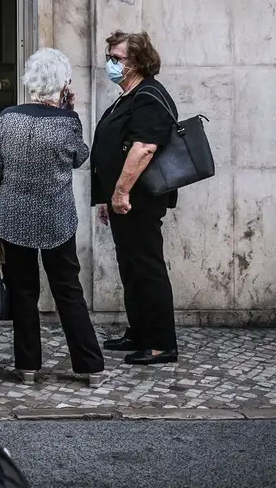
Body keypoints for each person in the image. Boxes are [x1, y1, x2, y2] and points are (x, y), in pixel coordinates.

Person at [0, 48, 105, 386]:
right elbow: (80, 157)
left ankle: (27, 366)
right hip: (56, 219)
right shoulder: (68, 122)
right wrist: (70, 112)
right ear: (63, 85)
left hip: (13, 218)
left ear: (30, 81)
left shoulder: (8, 117)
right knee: (68, 290)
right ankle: (90, 366)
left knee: (23, 292)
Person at [90, 30, 180, 365]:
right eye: (109, 57)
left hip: (139, 199)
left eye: (117, 58)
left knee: (147, 266)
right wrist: (107, 196)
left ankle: (160, 343)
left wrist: (121, 190)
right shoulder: (127, 96)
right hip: (122, 201)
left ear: (138, 61)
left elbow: (144, 148)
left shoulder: (148, 96)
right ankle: (140, 332)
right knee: (130, 267)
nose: (111, 64)